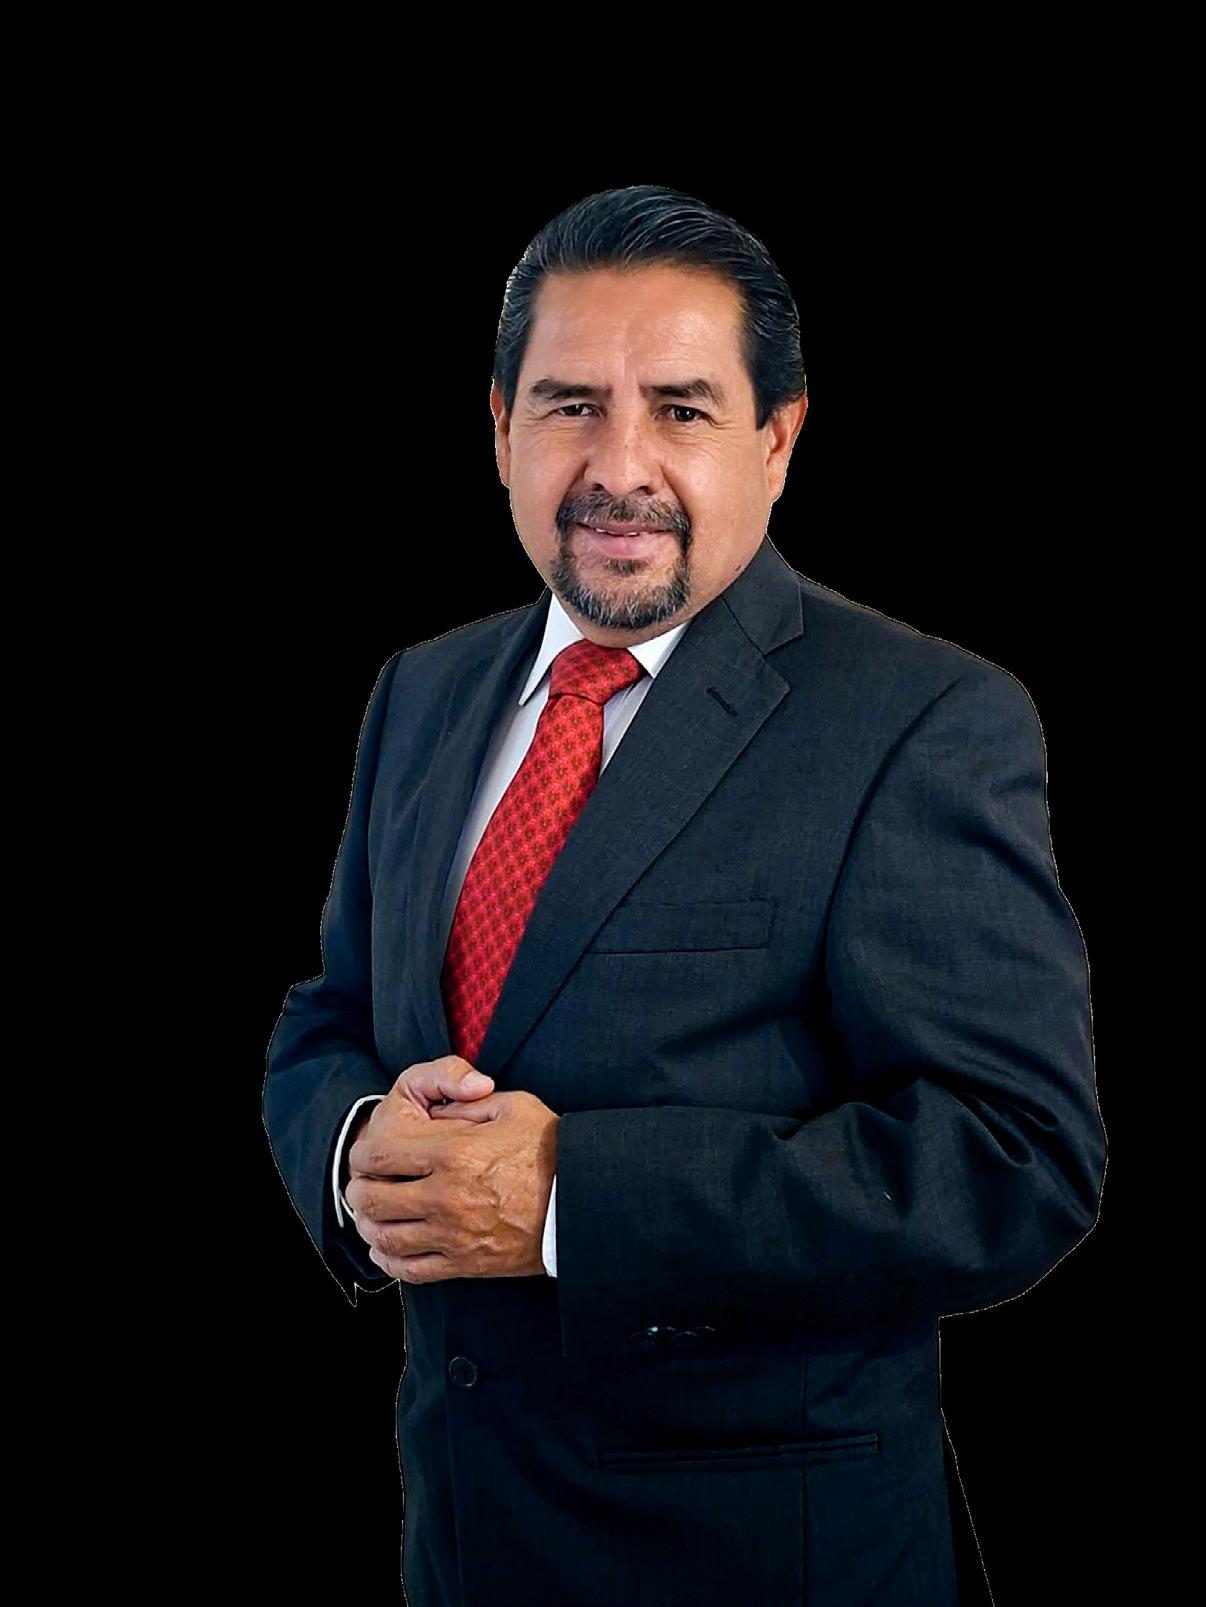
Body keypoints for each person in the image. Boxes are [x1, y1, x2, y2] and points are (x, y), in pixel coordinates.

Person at [262, 183, 1104, 1606]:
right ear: (500, 428)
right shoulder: (422, 692)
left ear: (777, 439)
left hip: (767, 1563)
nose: (620, 465)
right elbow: (330, 1013)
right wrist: (354, 1155)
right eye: (570, 405)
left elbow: (1013, 1159)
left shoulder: (920, 721)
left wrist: (565, 1202)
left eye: (681, 409)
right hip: (461, 1545)